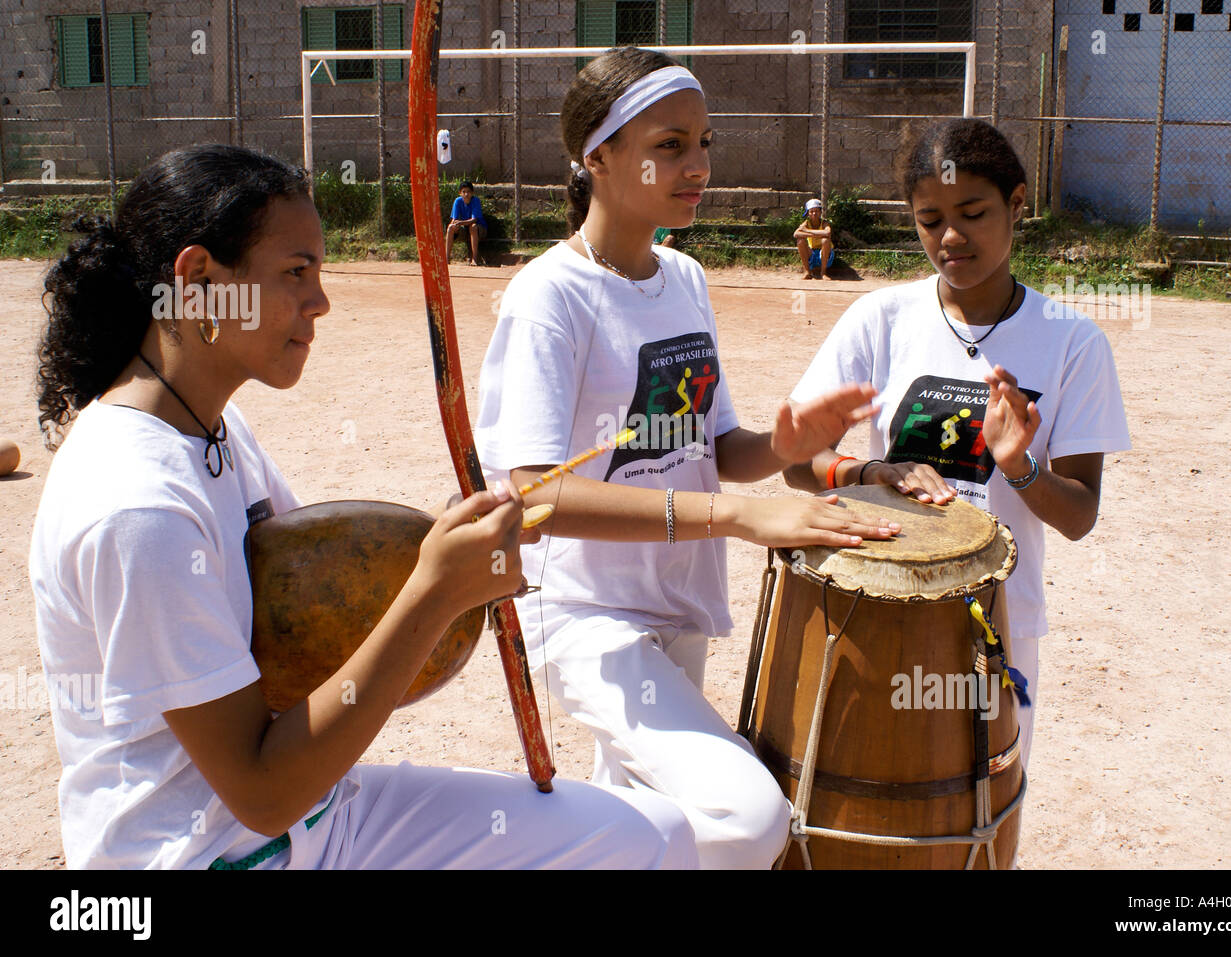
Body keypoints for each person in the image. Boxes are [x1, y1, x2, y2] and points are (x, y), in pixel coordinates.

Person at [28, 144, 699, 870]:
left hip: (318, 816)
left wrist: (446, 548)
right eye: (296, 273)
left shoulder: (212, 429)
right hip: (221, 852)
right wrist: (436, 592)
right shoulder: (137, 506)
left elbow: (316, 614)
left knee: (654, 836)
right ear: (198, 283)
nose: (320, 301)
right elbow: (260, 792)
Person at [474, 47, 903, 870]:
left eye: (704, 142)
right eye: (670, 144)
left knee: (641, 809)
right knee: (747, 818)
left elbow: (719, 453)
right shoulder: (547, 297)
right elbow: (530, 497)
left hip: (678, 601)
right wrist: (736, 516)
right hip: (587, 617)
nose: (698, 165)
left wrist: (790, 444)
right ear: (597, 156)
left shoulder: (686, 278)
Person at [784, 118, 1131, 777]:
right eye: (929, 219)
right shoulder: (879, 319)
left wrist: (1019, 468)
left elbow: (1079, 515)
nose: (950, 238)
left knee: (978, 809)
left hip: (998, 620)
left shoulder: (1071, 341)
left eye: (973, 213)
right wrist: (871, 469)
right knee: (870, 798)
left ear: (1018, 204)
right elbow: (798, 464)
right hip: (881, 601)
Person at [446, 179, 486, 265]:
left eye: (468, 192)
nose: (466, 194)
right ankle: (446, 259)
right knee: (450, 228)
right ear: (460, 193)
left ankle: (474, 259)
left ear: (472, 193)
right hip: (465, 229)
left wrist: (460, 223)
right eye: (464, 192)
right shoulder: (458, 201)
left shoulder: (475, 201)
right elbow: (454, 218)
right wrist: (454, 225)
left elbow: (474, 220)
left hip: (479, 230)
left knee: (473, 226)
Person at [795, 198, 834, 279]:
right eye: (811, 211)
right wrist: (818, 234)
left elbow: (827, 233)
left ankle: (823, 273)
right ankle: (807, 272)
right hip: (811, 252)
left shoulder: (824, 223)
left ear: (820, 212)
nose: (814, 213)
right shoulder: (806, 223)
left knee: (825, 240)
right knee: (800, 241)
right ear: (808, 213)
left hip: (824, 253)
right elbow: (796, 234)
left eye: (816, 211)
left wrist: (807, 231)